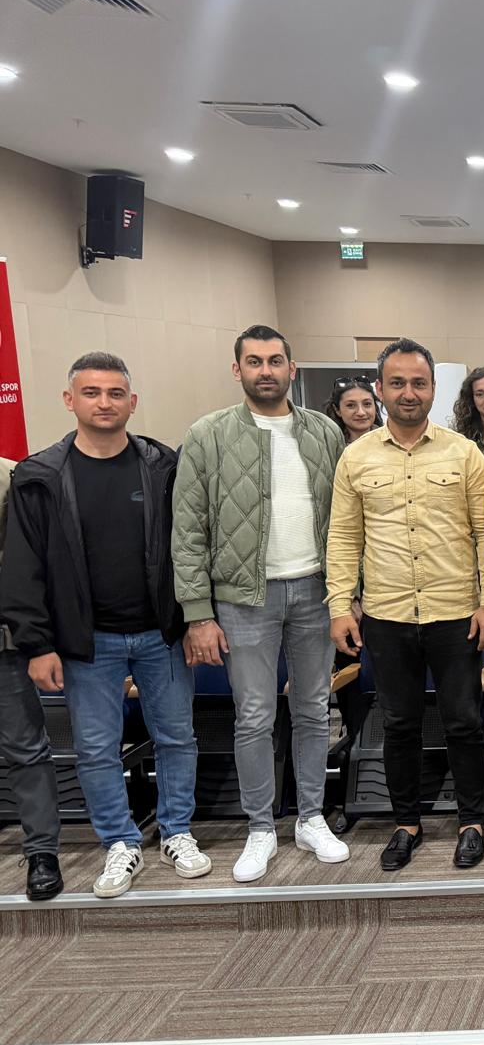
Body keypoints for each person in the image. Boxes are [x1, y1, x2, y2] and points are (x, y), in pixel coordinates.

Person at [0, 352, 211, 898]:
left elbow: (192, 547)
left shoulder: (163, 467)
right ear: (69, 400)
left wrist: (196, 618)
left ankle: (177, 830)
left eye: (115, 393)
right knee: (96, 749)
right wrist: (37, 643)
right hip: (87, 642)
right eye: (91, 392)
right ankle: (119, 841)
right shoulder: (39, 476)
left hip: (162, 633)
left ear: (132, 402)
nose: (104, 403)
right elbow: (23, 568)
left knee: (177, 737)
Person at [171, 324, 351, 882]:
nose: (265, 370)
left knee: (313, 708)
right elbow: (187, 531)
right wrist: (197, 613)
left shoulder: (325, 431)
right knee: (253, 715)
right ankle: (260, 827)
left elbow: (347, 523)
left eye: (275, 361)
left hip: (316, 590)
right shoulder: (208, 435)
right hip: (244, 598)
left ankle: (311, 817)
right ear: (238, 370)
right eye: (254, 361)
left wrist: (348, 595)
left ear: (291, 369)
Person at [325, 338, 484, 871]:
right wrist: (339, 605)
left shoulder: (463, 453)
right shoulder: (356, 457)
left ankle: (471, 822)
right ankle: (407, 824)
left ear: (432, 389)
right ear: (380, 389)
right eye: (397, 383)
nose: (408, 392)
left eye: (418, 383)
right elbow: (343, 537)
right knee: (399, 724)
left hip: (455, 612)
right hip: (387, 614)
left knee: (464, 722)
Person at [0, 456, 63, 900]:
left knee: (26, 749)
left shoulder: (11, 476)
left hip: (4, 641)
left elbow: (24, 564)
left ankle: (42, 852)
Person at [323, 376, 383, 444]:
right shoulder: (327, 446)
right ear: (337, 410)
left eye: (367, 404)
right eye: (350, 405)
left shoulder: (390, 440)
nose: (361, 413)